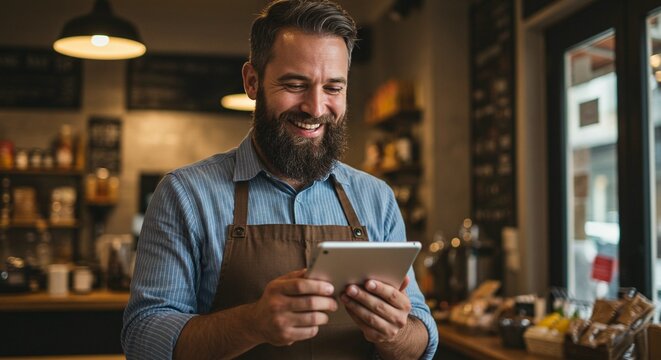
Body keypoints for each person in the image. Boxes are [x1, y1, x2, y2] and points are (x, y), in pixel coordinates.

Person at [121, 0, 439, 358]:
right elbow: (143, 339)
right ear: (252, 81)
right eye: (295, 84)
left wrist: (394, 333)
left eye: (333, 88)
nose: (315, 108)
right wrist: (251, 324)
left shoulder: (376, 197)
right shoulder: (186, 194)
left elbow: (422, 337)